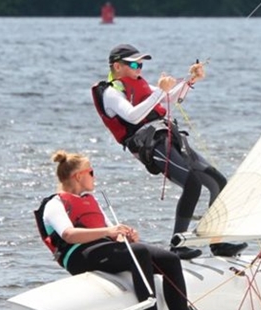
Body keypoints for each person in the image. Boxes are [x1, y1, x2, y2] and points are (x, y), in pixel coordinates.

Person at [39, 150, 214, 310]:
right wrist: (110, 231)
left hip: (103, 248)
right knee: (139, 252)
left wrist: (124, 235)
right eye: (91, 172)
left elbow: (110, 231)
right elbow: (69, 235)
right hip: (78, 255)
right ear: (78, 176)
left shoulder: (91, 200)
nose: (94, 177)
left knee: (169, 259)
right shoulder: (55, 204)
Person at [92, 43, 246, 260]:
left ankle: (218, 242)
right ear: (117, 66)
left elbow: (168, 98)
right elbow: (133, 116)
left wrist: (190, 80)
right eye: (134, 64)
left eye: (141, 64)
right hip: (151, 145)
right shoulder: (111, 93)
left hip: (168, 137)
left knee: (218, 182)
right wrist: (160, 91)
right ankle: (177, 246)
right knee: (192, 184)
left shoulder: (140, 84)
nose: (139, 68)